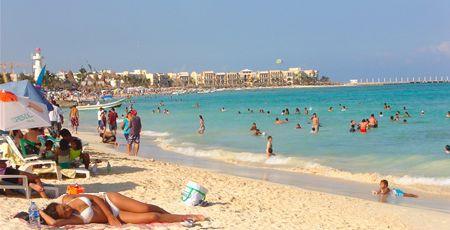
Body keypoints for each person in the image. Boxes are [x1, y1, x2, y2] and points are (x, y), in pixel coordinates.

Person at [39, 192, 205, 227]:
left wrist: (110, 216)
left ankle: (173, 215)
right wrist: (39, 212)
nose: (67, 209)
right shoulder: (72, 218)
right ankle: (186, 216)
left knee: (145, 207)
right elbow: (53, 223)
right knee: (151, 216)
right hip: (118, 214)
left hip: (109, 200)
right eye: (64, 212)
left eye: (63, 207)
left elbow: (95, 198)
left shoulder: (69, 200)